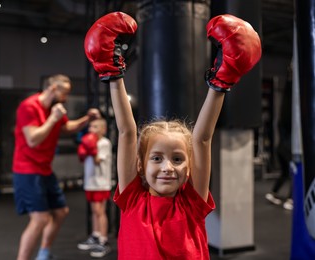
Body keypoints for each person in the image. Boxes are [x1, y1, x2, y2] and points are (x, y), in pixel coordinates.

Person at [84, 12, 261, 259]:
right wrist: (112, 75)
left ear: (189, 167)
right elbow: (126, 132)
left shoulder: (192, 203)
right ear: (140, 164)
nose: (167, 167)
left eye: (177, 159)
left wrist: (222, 83)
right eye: (156, 158)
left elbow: (201, 138)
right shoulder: (133, 198)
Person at [12, 74, 101, 260]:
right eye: (64, 93)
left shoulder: (55, 110)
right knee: (40, 219)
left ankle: (44, 253)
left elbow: (67, 127)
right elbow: (33, 139)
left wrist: (86, 119)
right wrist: (53, 119)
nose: (66, 98)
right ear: (53, 89)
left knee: (61, 212)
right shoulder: (29, 106)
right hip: (27, 170)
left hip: (45, 169)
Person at [77, 118, 113, 258]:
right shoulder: (89, 140)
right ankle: (95, 235)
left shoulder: (104, 143)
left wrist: (90, 148)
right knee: (94, 210)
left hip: (100, 182)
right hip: (90, 181)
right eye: (91, 126)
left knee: (100, 211)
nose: (92, 129)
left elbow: (98, 160)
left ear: (103, 129)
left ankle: (103, 240)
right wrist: (85, 149)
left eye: (96, 127)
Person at [265, 67, 293, 210]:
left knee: (284, 173)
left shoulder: (281, 122)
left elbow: (286, 105)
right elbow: (288, 105)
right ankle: (290, 199)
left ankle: (273, 193)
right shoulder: (288, 123)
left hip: (280, 148)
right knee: (294, 173)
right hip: (287, 149)